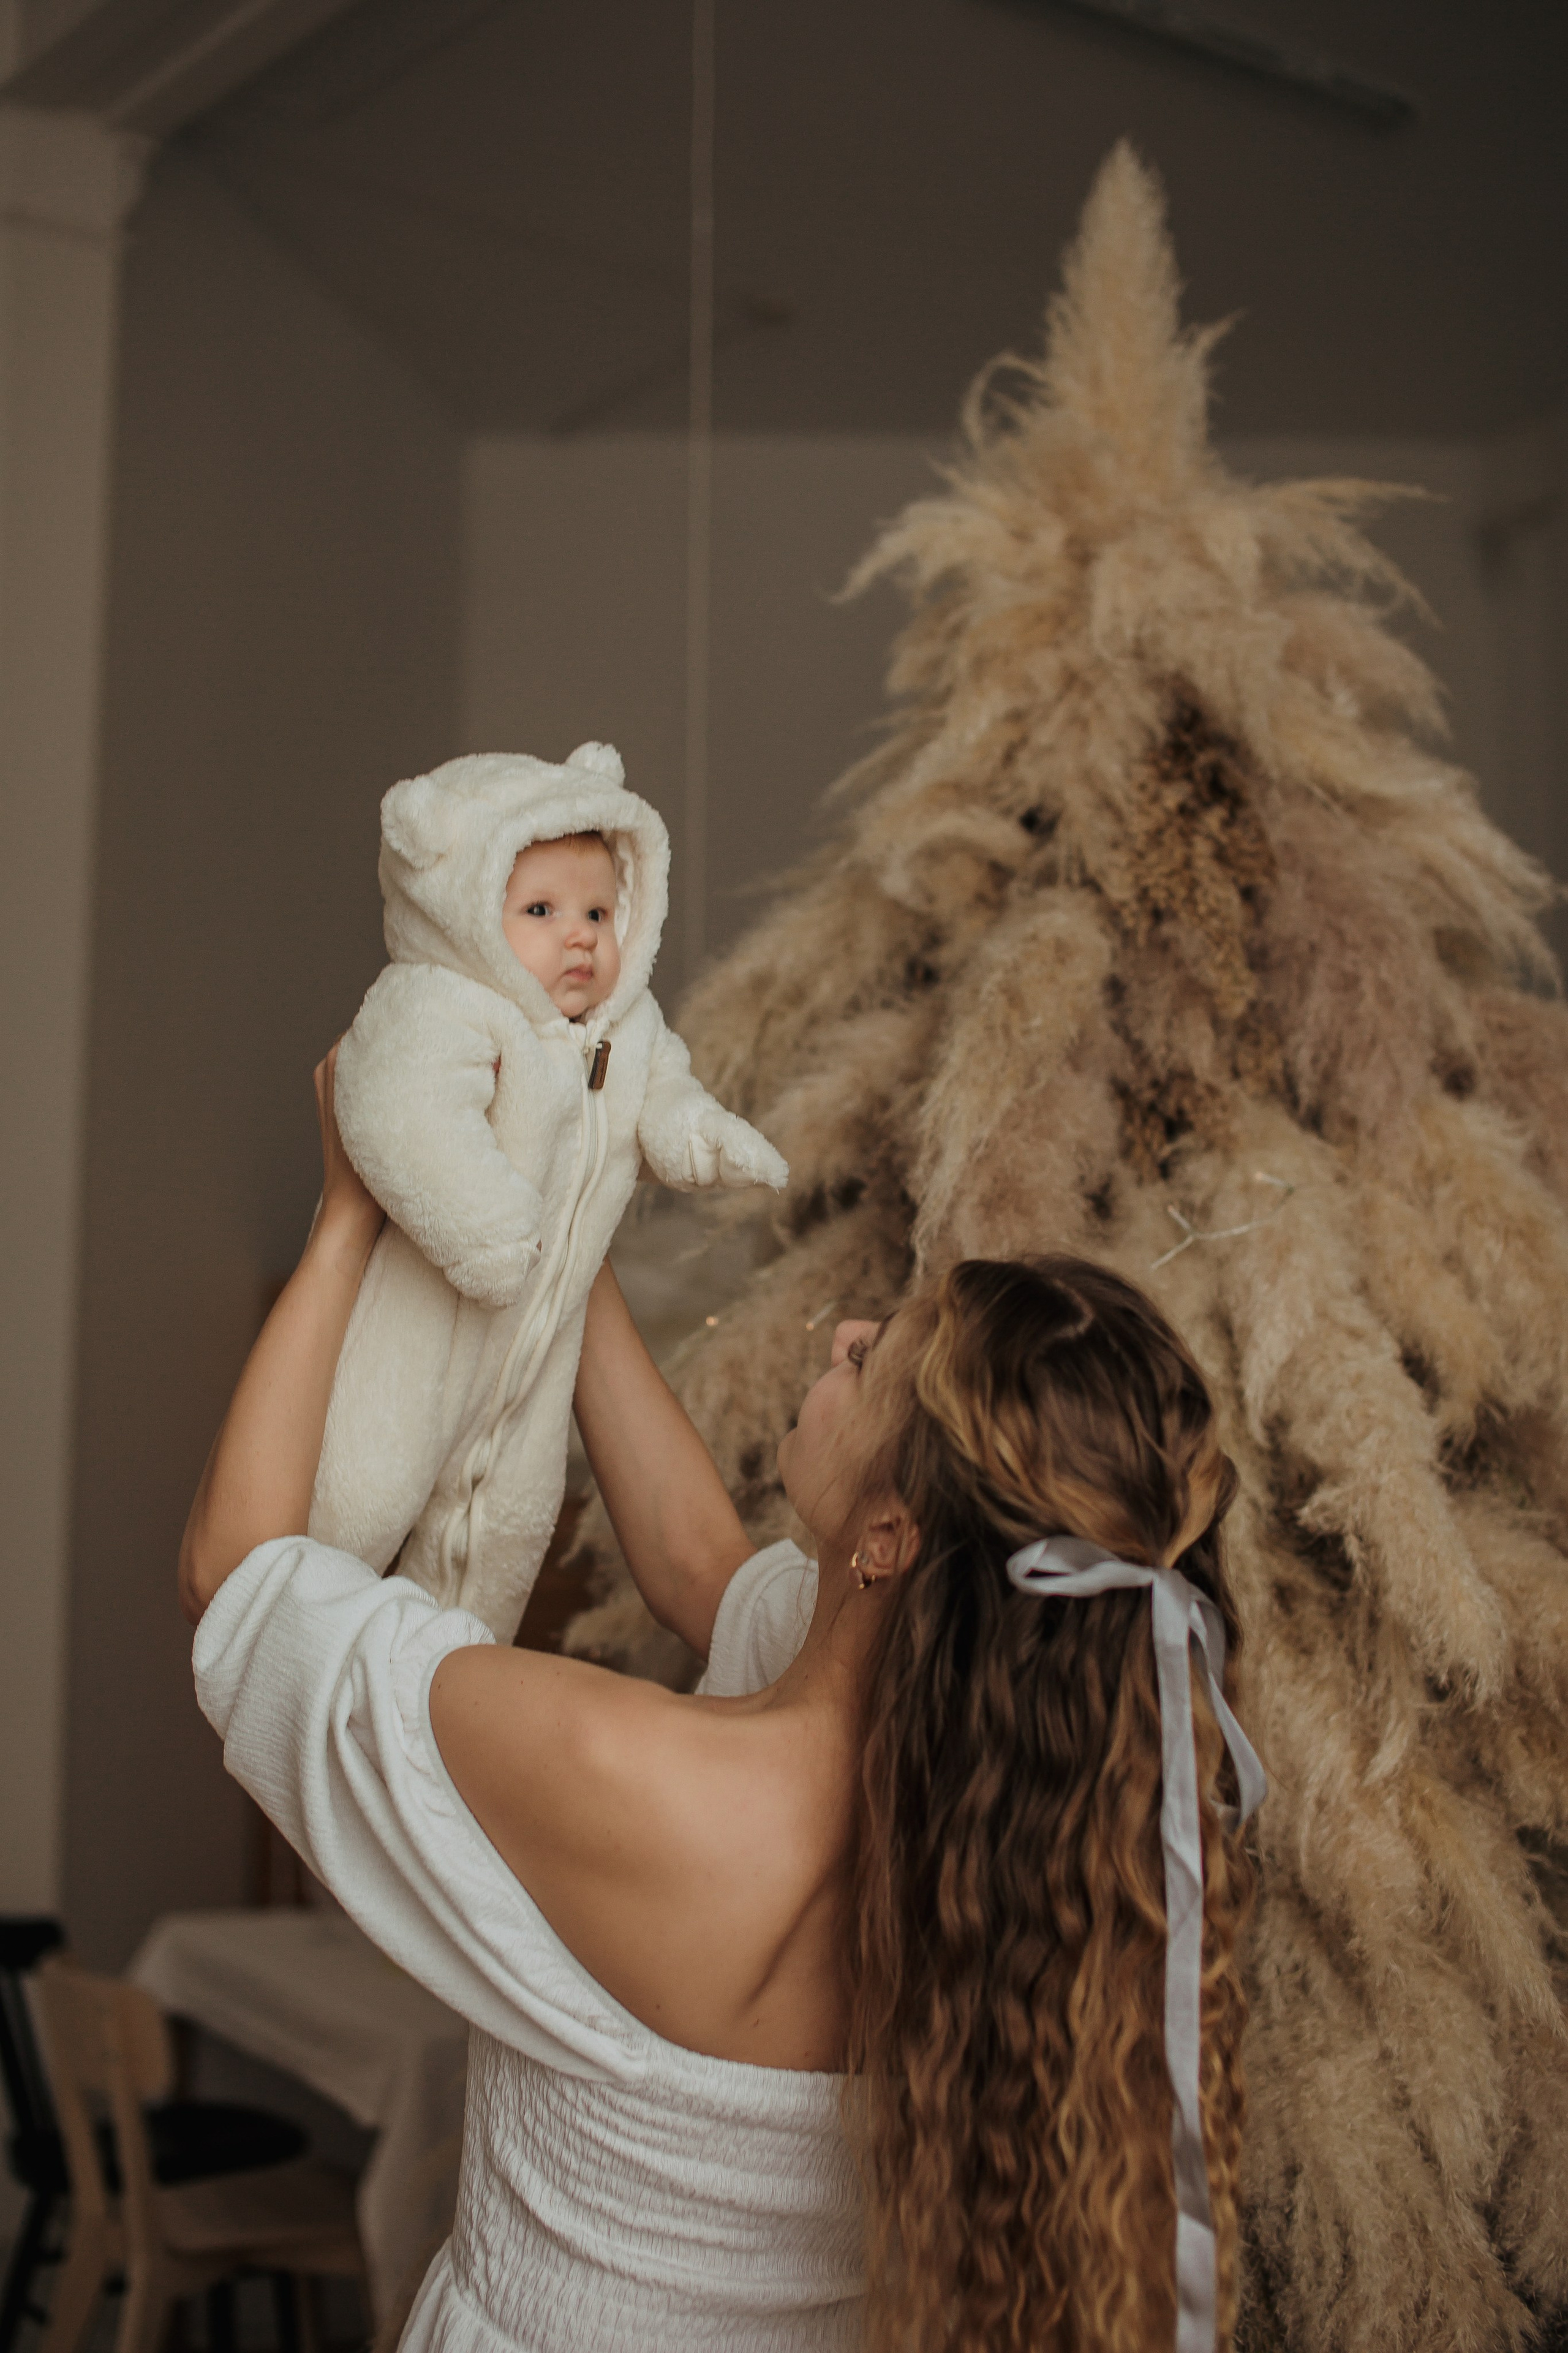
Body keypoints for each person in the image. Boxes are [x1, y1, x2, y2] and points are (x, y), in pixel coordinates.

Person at [180, 1052, 1260, 2353]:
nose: (845, 1335)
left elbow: (236, 1579)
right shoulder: (1005, 1842)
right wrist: (563, 1213)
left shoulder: (618, 1768)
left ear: (888, 1539)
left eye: (878, 1358)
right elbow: (699, 1565)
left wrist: (349, 1212)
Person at [309, 741, 785, 1642]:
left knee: (500, 1550)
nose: (582, 935)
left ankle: (454, 1684)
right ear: (459, 908)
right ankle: (311, 1646)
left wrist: (701, 1137)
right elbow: (396, 1106)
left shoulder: (625, 1032)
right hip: (424, 1336)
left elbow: (665, 1091)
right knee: (354, 1508)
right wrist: (488, 1226)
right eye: (541, 910)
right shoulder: (440, 1004)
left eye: (599, 912)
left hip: (537, 1373)